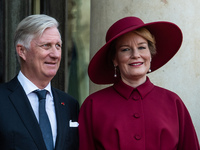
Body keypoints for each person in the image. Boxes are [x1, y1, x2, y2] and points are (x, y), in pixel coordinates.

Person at [78, 16, 200, 150]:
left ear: (151, 54)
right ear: (115, 59)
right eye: (125, 49)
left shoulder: (174, 103)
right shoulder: (93, 105)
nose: (136, 55)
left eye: (142, 47)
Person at [0, 14, 79, 150]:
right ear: (22, 51)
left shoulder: (70, 105)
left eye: (58, 46)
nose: (55, 54)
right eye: (46, 46)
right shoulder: (2, 99)